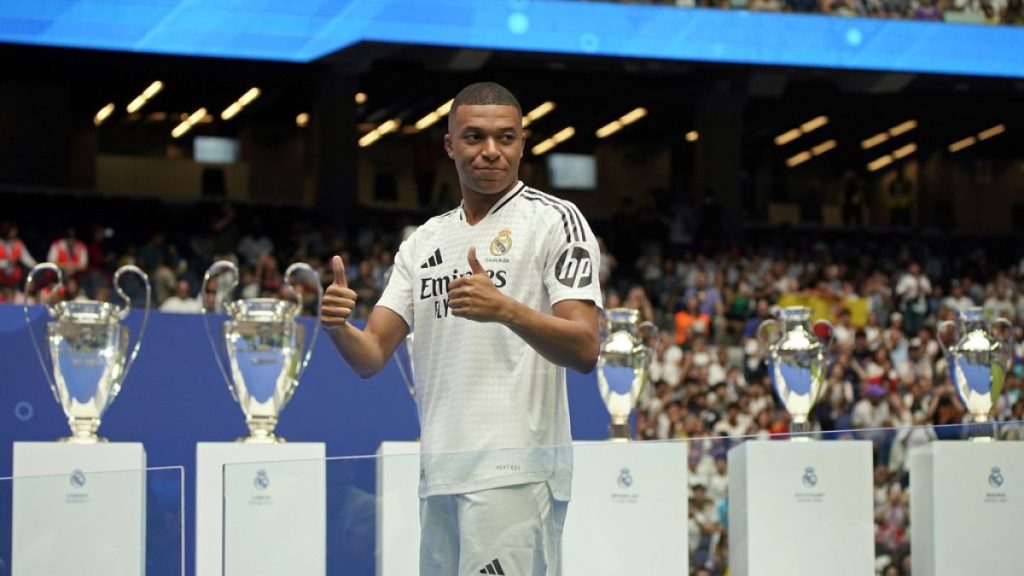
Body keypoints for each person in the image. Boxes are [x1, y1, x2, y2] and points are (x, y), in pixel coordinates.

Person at [320, 82, 602, 576]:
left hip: (516, 475)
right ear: (450, 146)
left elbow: (585, 347)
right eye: (474, 137)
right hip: (440, 475)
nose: (490, 151)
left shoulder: (556, 220)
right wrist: (338, 326)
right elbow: (370, 356)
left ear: (522, 143)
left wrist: (506, 309)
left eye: (506, 138)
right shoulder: (423, 240)